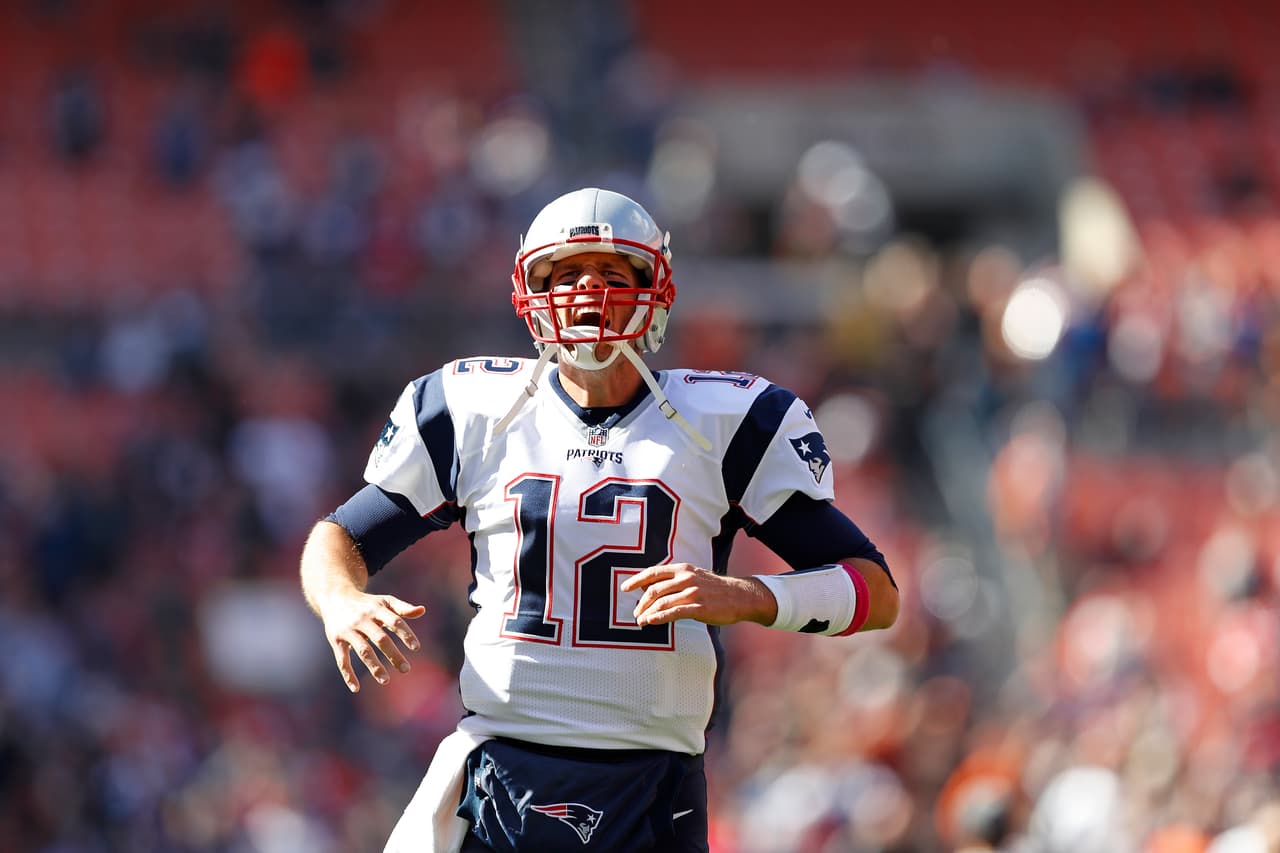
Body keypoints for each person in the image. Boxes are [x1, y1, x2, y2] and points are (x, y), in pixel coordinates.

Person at [300, 187, 900, 853]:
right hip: (502, 774)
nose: (589, 292)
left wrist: (748, 597)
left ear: (655, 289)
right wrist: (339, 599)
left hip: (653, 781)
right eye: (565, 275)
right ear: (530, 292)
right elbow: (341, 535)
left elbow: (874, 590)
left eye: (614, 273)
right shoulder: (475, 411)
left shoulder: (726, 424)